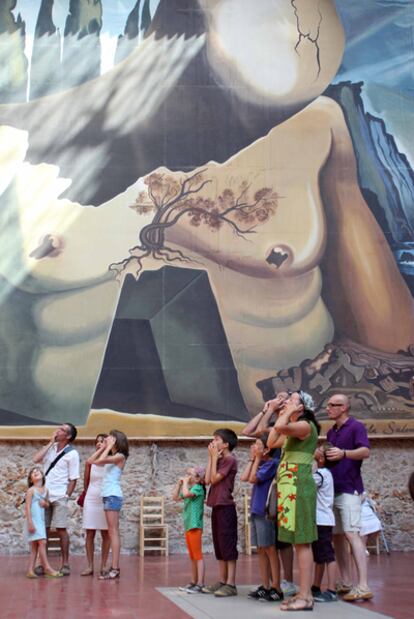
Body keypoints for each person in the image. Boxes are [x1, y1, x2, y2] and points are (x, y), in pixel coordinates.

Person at [267, 391, 320, 612]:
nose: (287, 400)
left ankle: (306, 595)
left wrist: (285, 413)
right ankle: (302, 593)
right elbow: (271, 441)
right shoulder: (292, 427)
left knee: (302, 541)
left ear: (303, 407)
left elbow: (278, 428)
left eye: (292, 399)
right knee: (296, 541)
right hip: (289, 485)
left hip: (299, 484)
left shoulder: (305, 426)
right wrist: (279, 412)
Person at [243, 392, 297, 597]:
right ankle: (267, 585)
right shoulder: (274, 424)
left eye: (285, 397)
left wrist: (278, 411)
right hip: (262, 496)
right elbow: (250, 430)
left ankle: (283, 583)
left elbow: (268, 436)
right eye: (277, 397)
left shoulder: (291, 424)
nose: (279, 399)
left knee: (280, 543)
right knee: (265, 546)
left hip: (280, 489)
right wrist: (267, 410)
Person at [324, 394, 373, 602]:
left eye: (332, 405)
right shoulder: (330, 431)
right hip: (332, 489)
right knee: (337, 537)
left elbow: (365, 451)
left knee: (352, 534)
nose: (328, 409)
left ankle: (363, 585)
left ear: (343, 407)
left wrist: (344, 453)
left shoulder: (356, 427)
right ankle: (345, 581)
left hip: (349, 488)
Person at [32, 422, 79, 575]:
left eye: (62, 430)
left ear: (69, 436)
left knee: (61, 529)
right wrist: (51, 442)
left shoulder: (72, 454)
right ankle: (42, 563)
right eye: (59, 428)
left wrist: (66, 496)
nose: (57, 431)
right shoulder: (50, 448)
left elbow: (73, 478)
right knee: (42, 530)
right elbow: (36, 459)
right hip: (43, 495)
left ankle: (65, 564)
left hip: (59, 497)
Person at [241, 434, 283, 602]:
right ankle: (265, 586)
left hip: (265, 512)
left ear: (267, 449)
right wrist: (253, 459)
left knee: (270, 549)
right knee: (260, 548)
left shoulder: (272, 464)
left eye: (257, 445)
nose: (253, 447)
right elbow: (244, 477)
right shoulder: (262, 463)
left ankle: (276, 588)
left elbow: (252, 479)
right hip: (256, 510)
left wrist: (256, 459)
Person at [87, 429, 129, 580]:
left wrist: (106, 448)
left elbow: (98, 462)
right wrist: (104, 448)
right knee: (112, 531)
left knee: (113, 532)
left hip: (113, 495)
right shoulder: (112, 455)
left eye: (110, 438)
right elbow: (91, 461)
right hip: (107, 495)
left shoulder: (119, 456)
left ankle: (115, 568)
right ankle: (114, 567)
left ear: (116, 441)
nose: (106, 440)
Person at [203, 428, 238, 597]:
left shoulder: (230, 460)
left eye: (216, 439)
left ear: (225, 444)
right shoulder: (218, 459)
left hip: (226, 506)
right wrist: (212, 458)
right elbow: (209, 480)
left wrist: (213, 458)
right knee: (219, 544)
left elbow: (216, 478)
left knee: (228, 544)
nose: (213, 442)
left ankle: (231, 583)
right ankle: (222, 580)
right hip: (217, 506)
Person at [80, 434, 110, 577]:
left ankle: (104, 564)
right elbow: (86, 482)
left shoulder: (111, 460)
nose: (99, 444)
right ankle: (90, 565)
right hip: (91, 498)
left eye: (102, 441)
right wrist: (88, 494)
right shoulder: (91, 462)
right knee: (90, 532)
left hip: (105, 498)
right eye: (97, 442)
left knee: (106, 533)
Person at [172, 466, 206, 593]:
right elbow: (175, 497)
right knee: (192, 556)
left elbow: (186, 494)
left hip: (195, 525)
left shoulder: (198, 488)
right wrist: (179, 484)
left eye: (190, 474)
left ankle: (200, 583)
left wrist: (185, 483)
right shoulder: (191, 487)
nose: (187, 476)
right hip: (188, 525)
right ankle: (193, 581)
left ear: (197, 478)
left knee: (198, 555)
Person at [24, 467, 62, 579]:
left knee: (35, 546)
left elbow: (47, 504)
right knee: (43, 542)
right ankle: (47, 568)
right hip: (33, 520)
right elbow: (27, 507)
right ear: (31, 480)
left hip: (41, 520)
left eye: (38, 471)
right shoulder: (31, 491)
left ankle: (30, 570)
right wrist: (30, 523)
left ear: (43, 476)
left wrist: (45, 504)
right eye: (33, 472)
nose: (35, 472)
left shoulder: (46, 490)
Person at [311, 445, 338, 603]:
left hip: (322, 520)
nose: (317, 448)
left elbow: (306, 484)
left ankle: (332, 589)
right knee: (319, 556)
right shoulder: (324, 473)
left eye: (320, 449)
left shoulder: (321, 475)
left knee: (327, 555)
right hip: (320, 520)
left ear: (321, 459)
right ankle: (316, 586)